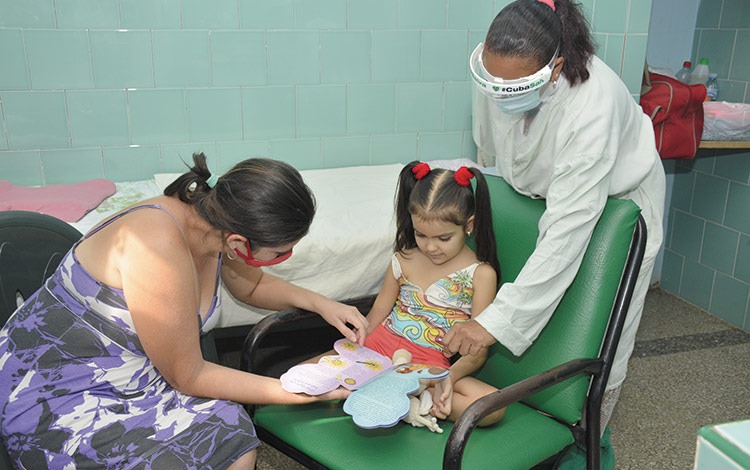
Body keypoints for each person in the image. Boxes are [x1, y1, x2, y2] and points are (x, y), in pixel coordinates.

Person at [0, 153, 368, 469]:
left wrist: (323, 304)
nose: (283, 261)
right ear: (240, 242)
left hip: (139, 375)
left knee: (234, 432)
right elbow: (188, 376)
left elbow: (252, 286)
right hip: (58, 394)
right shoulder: (155, 245)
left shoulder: (216, 226)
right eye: (280, 253)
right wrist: (305, 392)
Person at [443, 0, 666, 432]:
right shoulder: (498, 69)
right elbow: (496, 142)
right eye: (494, 82)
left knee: (597, 337)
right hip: (540, 200)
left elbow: (569, 228)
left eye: (515, 86)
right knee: (527, 326)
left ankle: (589, 442)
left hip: (614, 209)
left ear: (556, 67)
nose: (499, 93)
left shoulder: (592, 106)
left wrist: (496, 322)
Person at [363, 161, 505, 426]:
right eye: (420, 234)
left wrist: (446, 379)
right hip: (378, 351)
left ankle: (396, 397)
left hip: (428, 369)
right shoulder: (403, 258)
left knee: (492, 406)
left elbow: (477, 351)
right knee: (312, 370)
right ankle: (399, 398)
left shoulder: (481, 274)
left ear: (469, 225)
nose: (430, 247)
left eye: (443, 238)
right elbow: (377, 314)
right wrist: (353, 345)